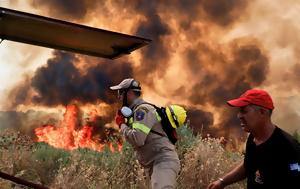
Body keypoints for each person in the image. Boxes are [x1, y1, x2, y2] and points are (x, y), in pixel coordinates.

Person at [207, 89, 300, 189]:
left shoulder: (288, 147)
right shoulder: (253, 137)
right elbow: (248, 165)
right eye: (239, 112)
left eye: (244, 111)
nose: (239, 116)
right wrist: (222, 182)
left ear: (262, 112)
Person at [110, 78, 185, 189]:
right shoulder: (136, 112)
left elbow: (138, 139)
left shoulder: (143, 110)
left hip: (163, 161)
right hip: (154, 164)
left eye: (120, 93)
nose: (119, 97)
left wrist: (121, 124)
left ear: (129, 93)